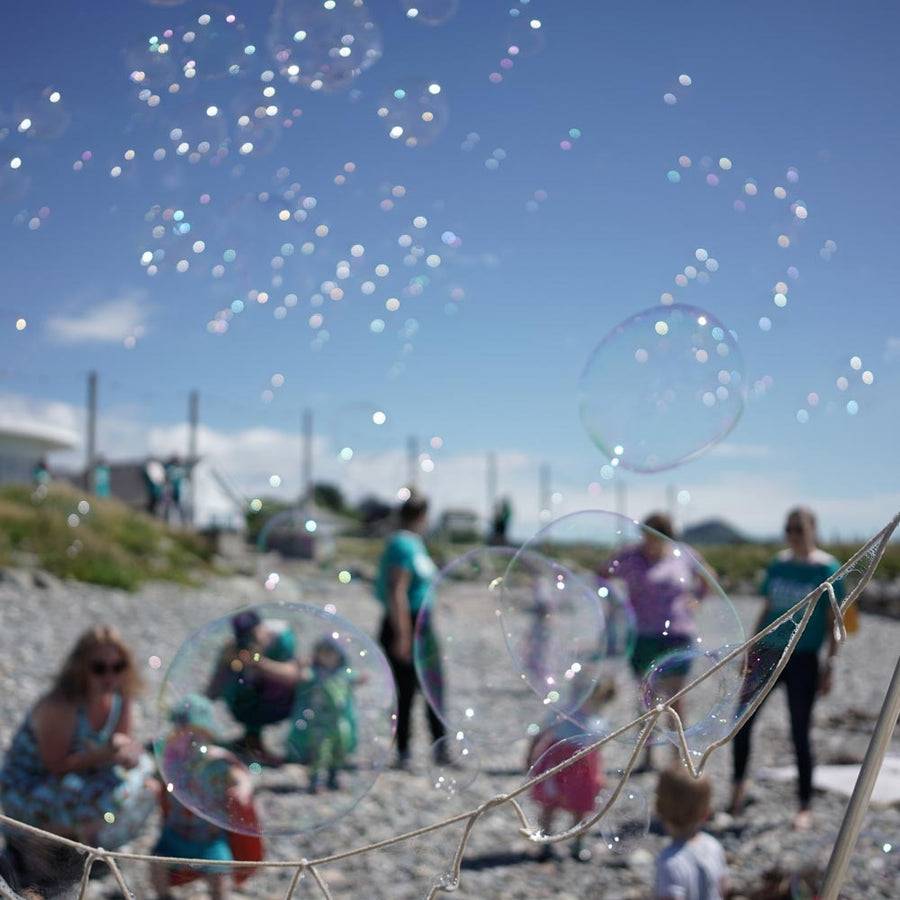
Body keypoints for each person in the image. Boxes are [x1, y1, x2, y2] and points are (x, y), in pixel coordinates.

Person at [729, 506, 843, 831]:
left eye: (799, 529)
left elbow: (835, 621)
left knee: (799, 731)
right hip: (767, 652)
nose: (792, 535)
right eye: (788, 529)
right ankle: (737, 790)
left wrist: (831, 664)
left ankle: (804, 804)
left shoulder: (828, 568)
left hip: (803, 658)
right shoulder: (779, 564)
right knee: (743, 722)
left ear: (812, 531)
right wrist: (749, 650)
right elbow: (767, 609)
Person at [0, 625, 158, 851]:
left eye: (118, 667)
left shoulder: (121, 697)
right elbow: (55, 766)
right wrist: (107, 754)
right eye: (99, 668)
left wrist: (127, 752)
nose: (109, 676)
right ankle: (53, 837)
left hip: (77, 777)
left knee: (146, 776)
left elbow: (122, 742)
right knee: (119, 795)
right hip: (31, 784)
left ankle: (78, 833)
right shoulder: (61, 705)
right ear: (81, 667)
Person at [598, 512, 710, 770]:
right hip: (642, 635)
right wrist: (615, 603)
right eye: (647, 536)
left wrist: (698, 599)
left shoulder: (684, 555)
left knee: (675, 699)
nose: (650, 542)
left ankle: (676, 759)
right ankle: (647, 756)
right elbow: (601, 575)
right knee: (646, 697)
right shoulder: (629, 556)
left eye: (657, 537)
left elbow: (707, 578)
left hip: (677, 634)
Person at [151, 694, 260, 900]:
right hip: (176, 833)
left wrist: (242, 789)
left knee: (220, 872)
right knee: (157, 863)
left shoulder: (217, 761)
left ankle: (219, 896)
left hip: (209, 836)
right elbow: (157, 779)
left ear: (208, 735)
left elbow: (241, 775)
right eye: (183, 735)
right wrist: (152, 786)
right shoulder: (171, 763)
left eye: (196, 736)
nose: (189, 741)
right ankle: (164, 896)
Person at [374, 491, 446, 769]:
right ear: (422, 516)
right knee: (407, 690)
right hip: (407, 624)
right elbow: (396, 590)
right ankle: (404, 751)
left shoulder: (414, 544)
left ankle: (439, 747)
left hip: (421, 625)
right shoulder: (402, 545)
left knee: (433, 687)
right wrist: (403, 635)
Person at [525, 678, 616, 863]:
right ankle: (546, 841)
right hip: (557, 764)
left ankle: (577, 844)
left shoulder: (597, 721)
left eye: (592, 695)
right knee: (549, 805)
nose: (586, 698)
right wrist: (530, 757)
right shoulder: (562, 712)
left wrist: (600, 774)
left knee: (581, 807)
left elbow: (597, 752)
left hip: (584, 768)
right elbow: (540, 733)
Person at [206, 610, 297, 762]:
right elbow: (214, 687)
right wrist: (226, 661)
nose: (250, 641)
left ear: (262, 627)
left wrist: (260, 663)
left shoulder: (281, 636)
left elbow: (293, 674)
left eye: (252, 635)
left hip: (279, 698)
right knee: (238, 682)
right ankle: (251, 737)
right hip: (250, 696)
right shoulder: (235, 648)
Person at [285, 636, 360, 792]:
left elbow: (356, 678)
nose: (327, 656)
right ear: (317, 654)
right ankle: (316, 779)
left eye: (331, 653)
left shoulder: (343, 673)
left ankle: (334, 776)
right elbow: (303, 676)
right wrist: (301, 667)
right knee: (320, 751)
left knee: (340, 749)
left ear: (339, 656)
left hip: (339, 722)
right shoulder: (315, 673)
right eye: (323, 652)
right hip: (320, 722)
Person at [653, 763, 730, 900]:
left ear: (658, 809)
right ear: (706, 813)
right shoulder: (714, 846)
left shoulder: (670, 862)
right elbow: (724, 887)